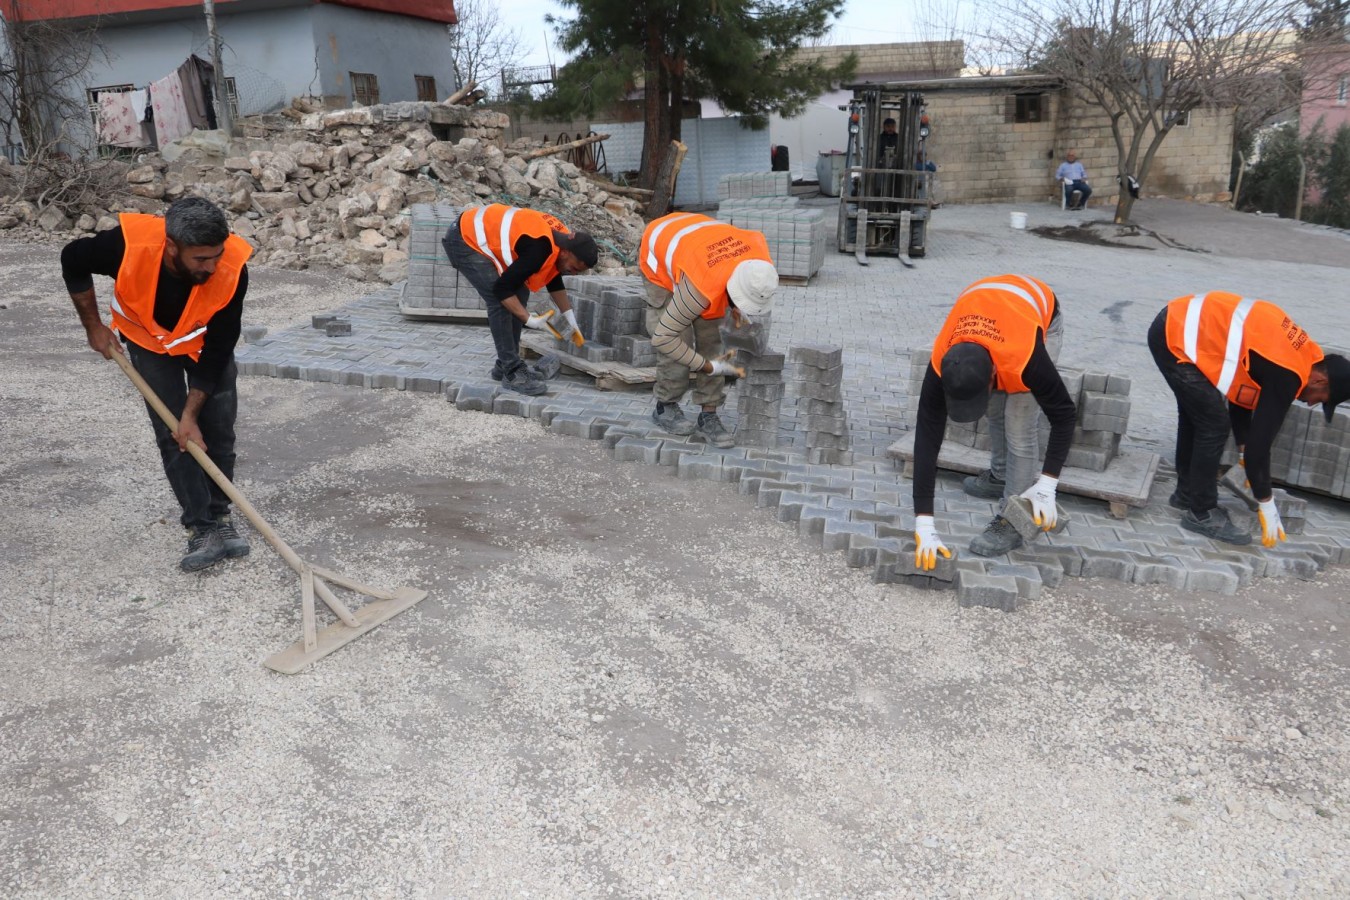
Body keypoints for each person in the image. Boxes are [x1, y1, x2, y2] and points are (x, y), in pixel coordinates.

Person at [61, 196, 253, 573]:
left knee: (217, 430)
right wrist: (93, 327)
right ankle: (200, 526)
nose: (212, 266)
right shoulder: (126, 246)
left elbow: (219, 346)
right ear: (171, 247)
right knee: (174, 434)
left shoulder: (232, 269)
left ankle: (220, 515)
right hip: (148, 339)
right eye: (201, 259)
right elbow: (72, 259)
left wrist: (191, 413)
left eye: (216, 255)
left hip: (202, 344)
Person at [1148, 291, 1350, 545]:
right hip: (1177, 336)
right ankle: (1201, 513)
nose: (1311, 403)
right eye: (1321, 398)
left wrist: (1243, 451)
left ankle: (1187, 494)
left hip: (1178, 322)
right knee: (1213, 423)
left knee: (1199, 415)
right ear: (1320, 380)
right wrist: (1266, 502)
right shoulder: (1288, 374)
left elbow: (1240, 394)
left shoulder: (1302, 356)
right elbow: (1260, 449)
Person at [912, 274, 1078, 567]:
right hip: (993, 311)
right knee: (994, 409)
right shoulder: (942, 360)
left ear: (993, 375)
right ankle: (1001, 475)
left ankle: (1012, 520)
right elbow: (926, 437)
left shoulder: (1026, 359)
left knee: (1018, 421)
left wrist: (1047, 485)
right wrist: (924, 523)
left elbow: (1064, 414)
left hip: (1039, 318)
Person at [639, 212, 779, 448]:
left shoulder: (761, 266)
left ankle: (709, 414)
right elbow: (664, 338)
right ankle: (666, 406)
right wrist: (705, 365)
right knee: (679, 339)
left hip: (699, 242)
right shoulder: (701, 287)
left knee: (714, 337)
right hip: (660, 250)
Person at [442, 203, 598, 396]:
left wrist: (569, 318)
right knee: (499, 301)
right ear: (566, 253)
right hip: (464, 240)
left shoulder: (564, 241)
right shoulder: (539, 248)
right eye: (574, 268)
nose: (572, 273)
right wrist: (529, 319)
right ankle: (512, 371)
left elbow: (554, 279)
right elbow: (502, 290)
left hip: (484, 236)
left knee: (519, 292)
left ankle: (506, 364)